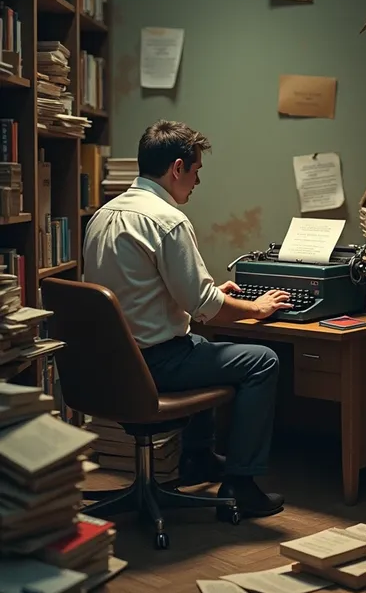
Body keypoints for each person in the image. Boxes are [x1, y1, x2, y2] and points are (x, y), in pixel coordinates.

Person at [83, 120, 292, 518]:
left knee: (203, 346)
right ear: (177, 168)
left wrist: (211, 296)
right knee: (262, 360)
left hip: (107, 366)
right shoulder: (168, 220)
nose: (196, 182)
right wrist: (256, 308)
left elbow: (140, 292)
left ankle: (197, 458)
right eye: (196, 171)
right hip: (154, 365)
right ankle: (241, 485)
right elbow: (204, 307)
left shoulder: (102, 215)